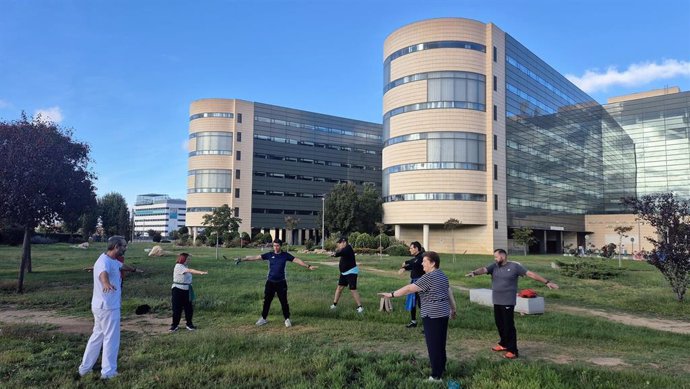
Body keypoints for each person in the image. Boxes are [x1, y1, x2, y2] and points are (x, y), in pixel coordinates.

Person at [465, 248, 559, 359]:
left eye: (496, 256)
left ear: (503, 256)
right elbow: (483, 269)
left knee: (508, 326)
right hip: (497, 301)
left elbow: (531, 274)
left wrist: (546, 282)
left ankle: (513, 350)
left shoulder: (514, 267)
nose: (495, 259)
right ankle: (503, 344)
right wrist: (474, 273)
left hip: (508, 301)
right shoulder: (494, 266)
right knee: (499, 324)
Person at [379, 251, 457, 382]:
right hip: (443, 313)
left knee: (433, 345)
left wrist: (392, 294)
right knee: (440, 343)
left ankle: (436, 376)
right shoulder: (442, 275)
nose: (422, 263)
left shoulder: (429, 277)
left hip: (432, 314)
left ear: (432, 263)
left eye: (424, 261)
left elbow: (410, 288)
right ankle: (441, 368)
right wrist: (453, 309)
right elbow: (448, 292)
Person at [77, 236, 136, 380]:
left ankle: (84, 369)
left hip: (100, 307)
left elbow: (121, 266)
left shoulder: (110, 260)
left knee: (97, 336)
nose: (125, 248)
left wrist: (134, 269)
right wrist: (106, 284)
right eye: (124, 246)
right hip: (108, 307)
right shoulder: (104, 262)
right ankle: (108, 373)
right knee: (111, 338)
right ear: (116, 246)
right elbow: (103, 274)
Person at [237, 239, 317, 327]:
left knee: (284, 302)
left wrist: (308, 266)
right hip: (270, 282)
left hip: (281, 283)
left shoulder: (285, 255)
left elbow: (297, 260)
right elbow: (255, 257)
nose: (275, 247)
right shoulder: (270, 255)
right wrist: (241, 259)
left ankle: (287, 319)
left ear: (281, 246)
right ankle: (263, 318)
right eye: (274, 245)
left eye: (277, 245)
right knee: (267, 301)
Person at [169, 253, 208, 332]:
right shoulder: (178, 266)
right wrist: (201, 272)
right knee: (177, 308)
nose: (189, 260)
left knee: (188, 308)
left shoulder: (184, 266)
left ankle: (189, 324)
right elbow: (190, 271)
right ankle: (174, 325)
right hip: (177, 290)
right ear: (183, 259)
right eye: (188, 259)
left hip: (187, 290)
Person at [330, 237, 364, 313]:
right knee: (339, 288)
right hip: (344, 273)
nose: (338, 245)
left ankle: (360, 307)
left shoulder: (348, 248)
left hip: (351, 272)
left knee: (352, 289)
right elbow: (341, 252)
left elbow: (340, 253)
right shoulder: (344, 249)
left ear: (344, 242)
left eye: (339, 244)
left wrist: (334, 254)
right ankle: (334, 305)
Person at [397, 241, 425, 328]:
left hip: (421, 283)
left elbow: (414, 263)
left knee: (422, 304)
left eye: (411, 248)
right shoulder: (416, 258)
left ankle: (427, 325)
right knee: (413, 302)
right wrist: (404, 267)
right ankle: (413, 322)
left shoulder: (422, 256)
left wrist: (405, 263)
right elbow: (413, 265)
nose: (410, 250)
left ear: (416, 248)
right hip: (414, 283)